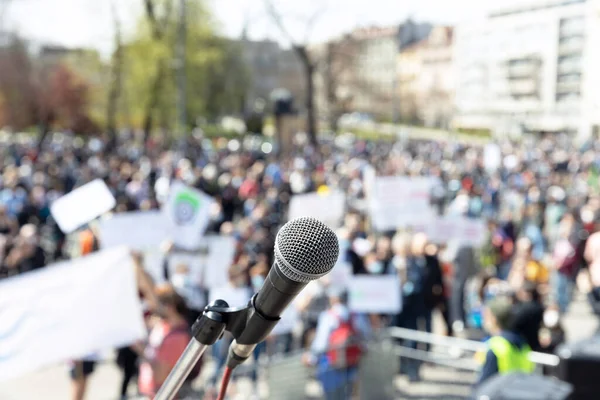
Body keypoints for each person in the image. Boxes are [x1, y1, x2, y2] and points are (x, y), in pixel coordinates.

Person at [304, 288, 370, 400]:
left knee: (331, 395)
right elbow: (366, 335)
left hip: (331, 362)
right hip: (352, 361)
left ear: (334, 299)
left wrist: (312, 357)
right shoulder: (356, 314)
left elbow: (321, 342)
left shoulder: (328, 316)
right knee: (347, 394)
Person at [136, 284, 194, 399]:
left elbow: (160, 375)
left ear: (169, 307)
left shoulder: (176, 338)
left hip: (162, 394)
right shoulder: (165, 325)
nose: (152, 307)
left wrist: (140, 349)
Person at [476, 296, 534, 386]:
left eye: (485, 316)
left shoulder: (495, 346)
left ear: (493, 318)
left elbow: (484, 384)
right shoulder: (523, 344)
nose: (483, 319)